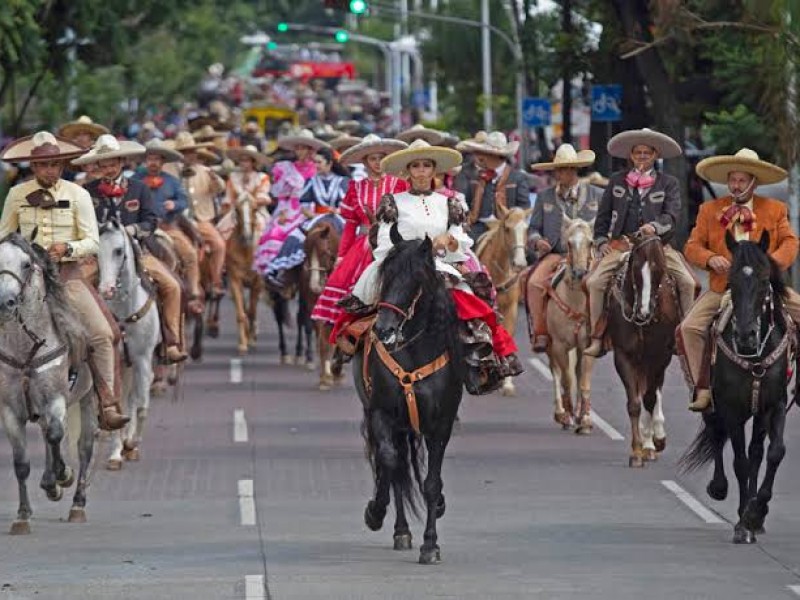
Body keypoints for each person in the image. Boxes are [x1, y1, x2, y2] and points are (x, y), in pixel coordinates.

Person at [338, 139, 523, 394]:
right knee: (370, 294)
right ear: (408, 171)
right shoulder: (393, 201)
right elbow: (383, 238)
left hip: (441, 264)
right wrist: (406, 256)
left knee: (469, 300)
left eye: (427, 165)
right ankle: (355, 344)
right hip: (399, 261)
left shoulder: (450, 202)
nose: (422, 171)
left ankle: (477, 362)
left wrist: (449, 241)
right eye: (416, 166)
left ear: (434, 170)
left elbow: (460, 237)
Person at [0, 132, 129, 430]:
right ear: (33, 166)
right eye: (44, 165)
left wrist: (68, 248)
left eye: (55, 164)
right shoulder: (16, 194)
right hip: (23, 278)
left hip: (66, 277)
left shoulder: (78, 194)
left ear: (62, 165)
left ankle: (107, 403)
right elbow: (4, 236)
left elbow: (92, 242)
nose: (50, 170)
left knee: (102, 333)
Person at [678, 148, 800, 411]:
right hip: (723, 287)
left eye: (742, 180)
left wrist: (769, 265)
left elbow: (791, 242)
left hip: (765, 285)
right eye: (732, 180)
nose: (736, 185)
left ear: (754, 182)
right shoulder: (709, 209)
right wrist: (710, 258)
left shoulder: (775, 209)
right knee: (688, 327)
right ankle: (703, 388)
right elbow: (692, 246)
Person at [584, 128, 698, 358]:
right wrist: (600, 240)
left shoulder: (669, 183)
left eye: (647, 152)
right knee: (594, 282)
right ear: (631, 155)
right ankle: (598, 337)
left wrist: (655, 227)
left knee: (688, 282)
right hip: (622, 245)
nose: (643, 156)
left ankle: (684, 336)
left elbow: (672, 215)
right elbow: (603, 216)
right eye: (638, 152)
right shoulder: (617, 181)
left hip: (658, 246)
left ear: (655, 155)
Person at [77, 135, 188, 363]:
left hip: (137, 251)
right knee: (76, 289)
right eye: (103, 164)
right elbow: (81, 223)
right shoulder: (87, 192)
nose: (108, 168)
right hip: (98, 254)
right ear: (97, 166)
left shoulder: (139, 188)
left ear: (121, 163)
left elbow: (151, 220)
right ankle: (77, 342)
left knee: (173, 285)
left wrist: (134, 230)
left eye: (112, 163)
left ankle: (171, 341)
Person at [310, 134, 408, 327]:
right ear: (364, 161)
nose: (378, 162)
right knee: (344, 282)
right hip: (363, 243)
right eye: (373, 158)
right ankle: (347, 332)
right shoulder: (355, 188)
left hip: (394, 240)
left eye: (381, 158)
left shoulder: (399, 184)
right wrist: (342, 255)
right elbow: (350, 225)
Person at [526, 143, 602, 352]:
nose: (564, 173)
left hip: (590, 254)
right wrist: (537, 241)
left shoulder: (597, 195)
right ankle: (541, 332)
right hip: (555, 254)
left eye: (569, 168)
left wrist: (601, 244)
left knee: (607, 281)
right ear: (555, 172)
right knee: (533, 283)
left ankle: (605, 332)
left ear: (576, 170)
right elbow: (533, 228)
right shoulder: (544, 197)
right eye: (560, 169)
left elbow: (608, 226)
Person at [133, 139, 203, 315]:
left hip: (167, 227)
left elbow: (183, 200)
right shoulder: (135, 180)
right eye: (150, 158)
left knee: (190, 253)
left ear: (163, 161)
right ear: (145, 160)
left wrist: (175, 204)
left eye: (157, 159)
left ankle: (193, 291)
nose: (153, 162)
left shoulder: (172, 181)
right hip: (140, 228)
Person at [264, 147, 349, 289]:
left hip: (339, 217)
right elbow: (303, 206)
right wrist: (313, 216)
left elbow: (348, 204)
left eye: (319, 162)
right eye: (315, 162)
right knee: (294, 236)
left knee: (358, 237)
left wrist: (338, 211)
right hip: (316, 217)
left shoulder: (343, 181)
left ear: (329, 163)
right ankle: (284, 275)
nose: (315, 165)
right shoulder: (311, 181)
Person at [253, 130, 325, 275]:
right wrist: (282, 211)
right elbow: (277, 193)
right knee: (276, 233)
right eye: (297, 148)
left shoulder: (318, 167)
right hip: (288, 209)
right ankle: (275, 273)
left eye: (303, 148)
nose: (299, 151)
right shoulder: (285, 168)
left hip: (312, 208)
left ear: (310, 150)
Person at [170, 131, 227, 297]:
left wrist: (215, 179)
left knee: (219, 245)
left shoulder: (204, 171)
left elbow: (219, 188)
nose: (188, 155)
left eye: (190, 151)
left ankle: (216, 281)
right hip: (175, 221)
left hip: (201, 220)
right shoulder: (169, 171)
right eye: (183, 152)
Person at [455, 130, 531, 241]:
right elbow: (462, 202)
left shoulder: (517, 177)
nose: (482, 158)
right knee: (466, 251)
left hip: (508, 228)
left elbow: (524, 207)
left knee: (528, 255)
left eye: (486, 154)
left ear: (495, 156)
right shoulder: (474, 176)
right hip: (478, 227)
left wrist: (512, 219)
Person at [219, 144, 271, 241]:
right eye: (241, 160)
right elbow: (228, 197)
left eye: (246, 160)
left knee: (264, 229)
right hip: (236, 211)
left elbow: (264, 196)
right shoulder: (233, 177)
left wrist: (253, 201)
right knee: (222, 230)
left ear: (253, 162)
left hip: (256, 211)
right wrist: (227, 206)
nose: (243, 163)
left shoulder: (261, 177)